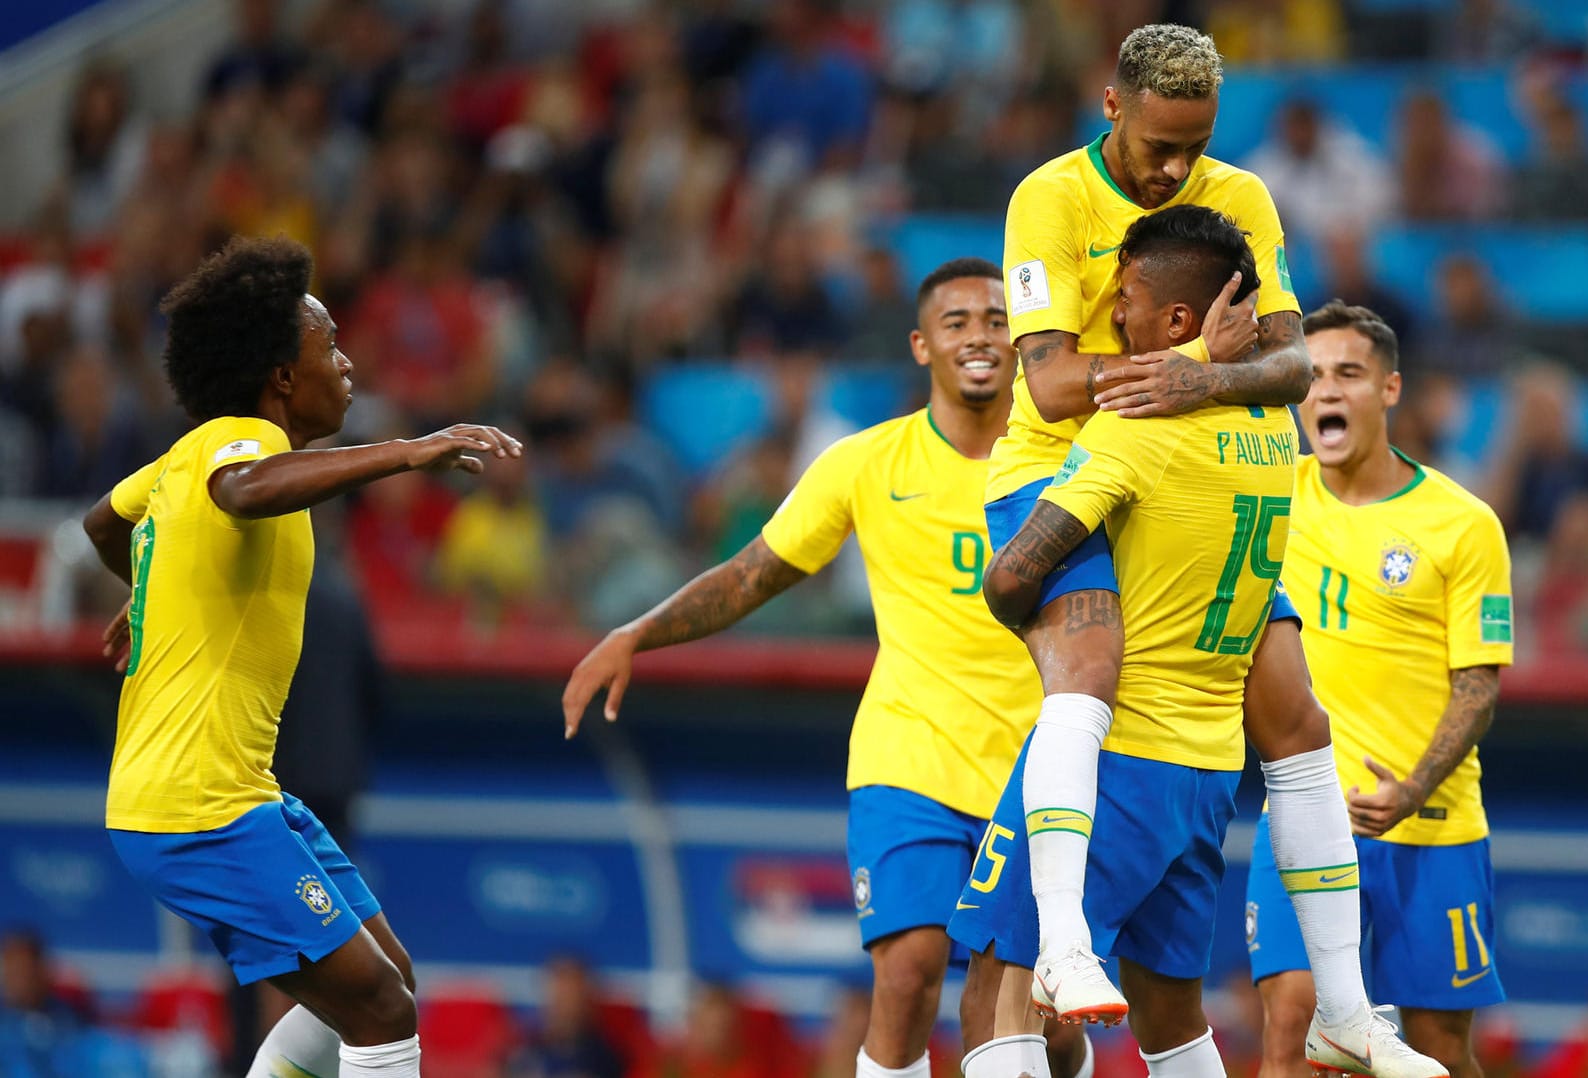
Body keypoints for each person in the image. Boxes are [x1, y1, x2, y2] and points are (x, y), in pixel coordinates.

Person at [984, 34, 1415, 1073]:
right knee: (1087, 668)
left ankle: (1347, 1008)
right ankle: (1065, 946)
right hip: (1061, 476)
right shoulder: (1048, 199)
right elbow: (1044, 385)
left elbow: (1291, 358)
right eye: (1158, 144)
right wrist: (1191, 362)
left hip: (1197, 472)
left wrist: (1197, 385)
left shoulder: (1245, 197)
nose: (1175, 169)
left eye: (1195, 146)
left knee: (1296, 716)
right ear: (1111, 106)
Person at [562, 259, 1087, 1078]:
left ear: (1021, 342)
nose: (978, 336)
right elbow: (753, 573)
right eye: (956, 323)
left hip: (1040, 769)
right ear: (921, 345)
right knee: (909, 973)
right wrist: (637, 631)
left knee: (1037, 1022)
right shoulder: (866, 463)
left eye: (995, 320)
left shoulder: (1074, 463)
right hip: (908, 759)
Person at [78, 236, 522, 1078]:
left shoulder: (180, 458)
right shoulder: (233, 443)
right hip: (197, 805)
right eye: (331, 347)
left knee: (389, 985)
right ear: (282, 375)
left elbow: (104, 524)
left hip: (233, 794)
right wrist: (407, 452)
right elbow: (243, 491)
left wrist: (142, 601)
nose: (349, 363)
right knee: (379, 1011)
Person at [1245, 301, 1514, 1078]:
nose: (1326, 391)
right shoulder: (1267, 496)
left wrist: (1413, 787)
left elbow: (1478, 686)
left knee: (1437, 1051)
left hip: (1430, 827)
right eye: (1313, 375)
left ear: (1389, 390)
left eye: (1349, 374)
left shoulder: (1463, 525)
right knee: (1292, 1025)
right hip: (1303, 812)